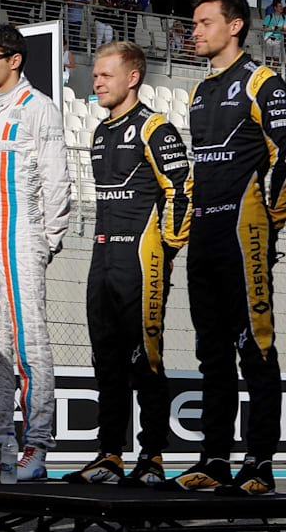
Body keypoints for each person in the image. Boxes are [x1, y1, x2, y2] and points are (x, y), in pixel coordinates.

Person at [162, 0, 286, 496]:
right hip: (204, 236)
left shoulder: (262, 81)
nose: (193, 31)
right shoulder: (200, 91)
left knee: (257, 348)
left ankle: (259, 463)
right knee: (210, 354)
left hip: (244, 239)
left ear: (235, 25)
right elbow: (202, 170)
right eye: (193, 23)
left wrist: (271, 224)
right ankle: (214, 459)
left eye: (203, 22)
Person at [61, 41, 190, 487]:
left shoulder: (156, 128)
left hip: (142, 258)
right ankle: (109, 454)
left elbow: (181, 189)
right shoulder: (100, 131)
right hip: (102, 257)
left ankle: (152, 457)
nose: (96, 82)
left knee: (145, 358)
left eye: (105, 75)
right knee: (106, 361)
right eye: (95, 75)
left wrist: (168, 251)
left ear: (132, 77)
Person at [0, 24, 71, 481]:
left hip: (23, 235)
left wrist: (47, 239)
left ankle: (37, 445)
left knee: (31, 344)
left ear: (15, 60)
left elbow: (57, 178)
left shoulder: (40, 108)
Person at [262, 0, 286, 68]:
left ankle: (274, 72)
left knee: (276, 57)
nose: (281, 8)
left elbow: (285, 28)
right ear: (275, 8)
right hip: (269, 38)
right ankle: (267, 71)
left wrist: (277, 28)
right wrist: (271, 28)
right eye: (279, 6)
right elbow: (264, 28)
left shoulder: (284, 17)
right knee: (268, 57)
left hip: (278, 39)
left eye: (281, 6)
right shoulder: (269, 17)